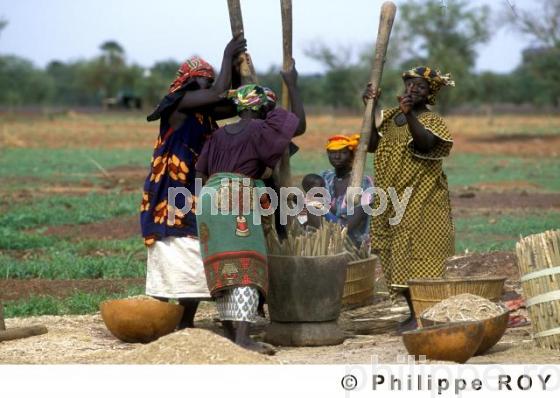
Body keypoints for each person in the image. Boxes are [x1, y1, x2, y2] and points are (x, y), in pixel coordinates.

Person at [195, 63, 306, 353]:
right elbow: (300, 125)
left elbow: (200, 174)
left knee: (223, 266)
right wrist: (292, 84)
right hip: (237, 197)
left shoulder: (219, 134)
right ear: (264, 108)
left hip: (209, 197)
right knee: (247, 265)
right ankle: (244, 339)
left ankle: (234, 334)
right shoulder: (261, 128)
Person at [140, 36, 247, 329]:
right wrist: (227, 54)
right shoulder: (180, 103)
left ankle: (185, 322)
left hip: (195, 188)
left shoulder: (205, 110)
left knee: (198, 247)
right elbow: (219, 93)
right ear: (192, 83)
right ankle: (166, 320)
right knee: (180, 246)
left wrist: (239, 70)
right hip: (172, 192)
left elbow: (234, 103)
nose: (210, 87)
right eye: (206, 82)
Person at [364, 66, 456, 332]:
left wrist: (410, 115)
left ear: (430, 94)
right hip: (391, 198)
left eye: (420, 87)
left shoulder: (431, 120)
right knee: (394, 253)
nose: (413, 90)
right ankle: (413, 313)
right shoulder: (391, 117)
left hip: (422, 199)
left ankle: (423, 314)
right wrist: (371, 108)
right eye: (410, 85)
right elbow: (370, 145)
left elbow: (426, 144)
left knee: (420, 254)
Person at [304, 135, 374, 246]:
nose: (337, 156)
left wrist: (337, 235)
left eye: (343, 153)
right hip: (323, 237)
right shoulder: (325, 177)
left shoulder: (364, 182)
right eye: (332, 152)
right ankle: (321, 243)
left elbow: (358, 217)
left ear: (352, 156)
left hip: (352, 238)